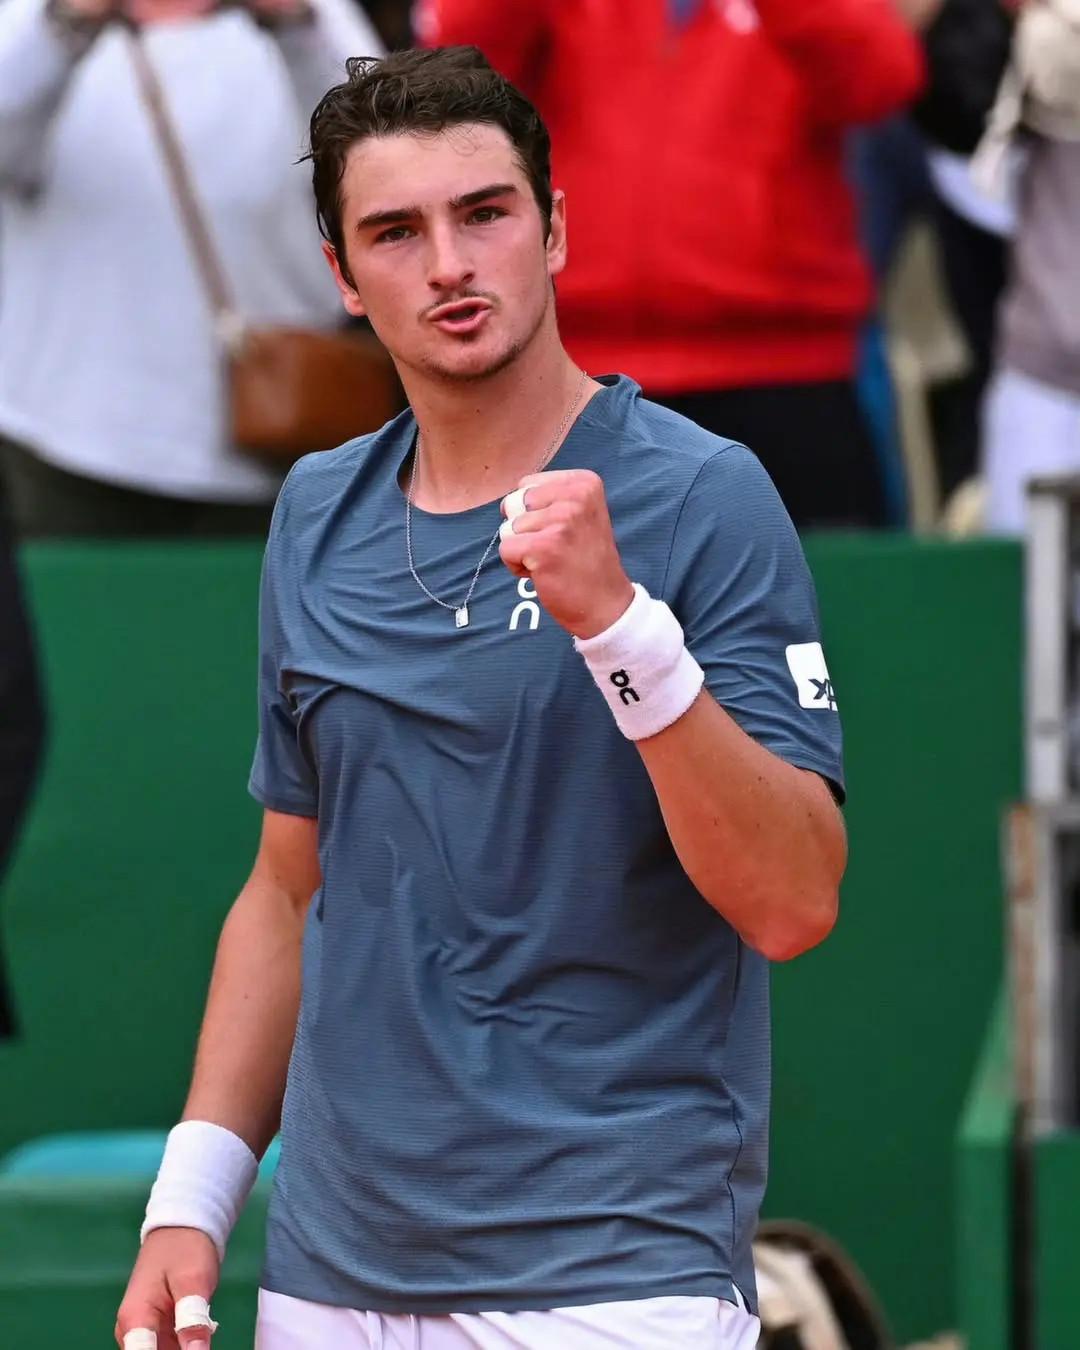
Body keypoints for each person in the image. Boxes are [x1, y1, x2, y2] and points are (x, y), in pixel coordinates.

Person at [115, 46, 848, 1350]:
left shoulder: (701, 495)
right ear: (343, 276)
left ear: (555, 229)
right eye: (395, 232)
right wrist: (193, 1196)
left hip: (624, 1272)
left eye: (485, 213)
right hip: (330, 1275)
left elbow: (793, 899)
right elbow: (291, 885)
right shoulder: (315, 514)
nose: (449, 263)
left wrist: (623, 628)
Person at [415, 0, 924, 531]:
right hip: (576, 376)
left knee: (819, 605)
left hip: (786, 375)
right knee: (553, 604)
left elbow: (880, 79)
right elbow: (450, 78)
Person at [0, 0, 382, 538]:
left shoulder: (320, 16)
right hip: (71, 436)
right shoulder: (32, 15)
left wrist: (293, 23)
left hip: (284, 430)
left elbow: (381, 151)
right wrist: (68, 21)